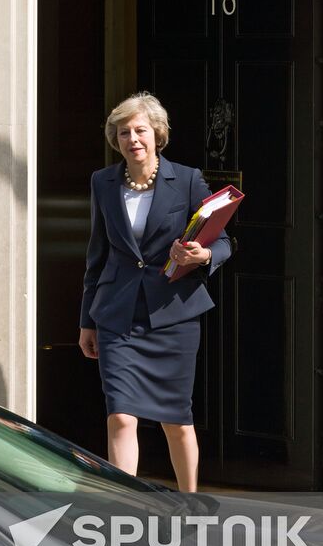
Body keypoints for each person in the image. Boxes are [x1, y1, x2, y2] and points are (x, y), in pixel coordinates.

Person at [78, 92, 231, 492]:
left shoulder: (187, 179)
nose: (133, 139)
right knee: (121, 416)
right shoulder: (103, 182)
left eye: (140, 130)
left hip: (173, 314)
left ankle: (189, 501)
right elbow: (97, 253)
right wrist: (86, 322)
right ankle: (124, 504)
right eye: (124, 132)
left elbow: (225, 242)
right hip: (116, 315)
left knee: (176, 421)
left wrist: (202, 255)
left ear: (157, 134)